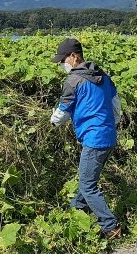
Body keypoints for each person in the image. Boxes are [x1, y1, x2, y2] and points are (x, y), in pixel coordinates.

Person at [50, 38, 123, 238]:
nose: (62, 64)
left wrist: (53, 121)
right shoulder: (104, 77)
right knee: (88, 179)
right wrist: (108, 125)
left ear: (74, 56)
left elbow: (63, 111)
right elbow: (116, 107)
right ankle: (75, 212)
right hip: (108, 135)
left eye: (63, 59)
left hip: (94, 139)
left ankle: (110, 226)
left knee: (87, 185)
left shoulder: (73, 80)